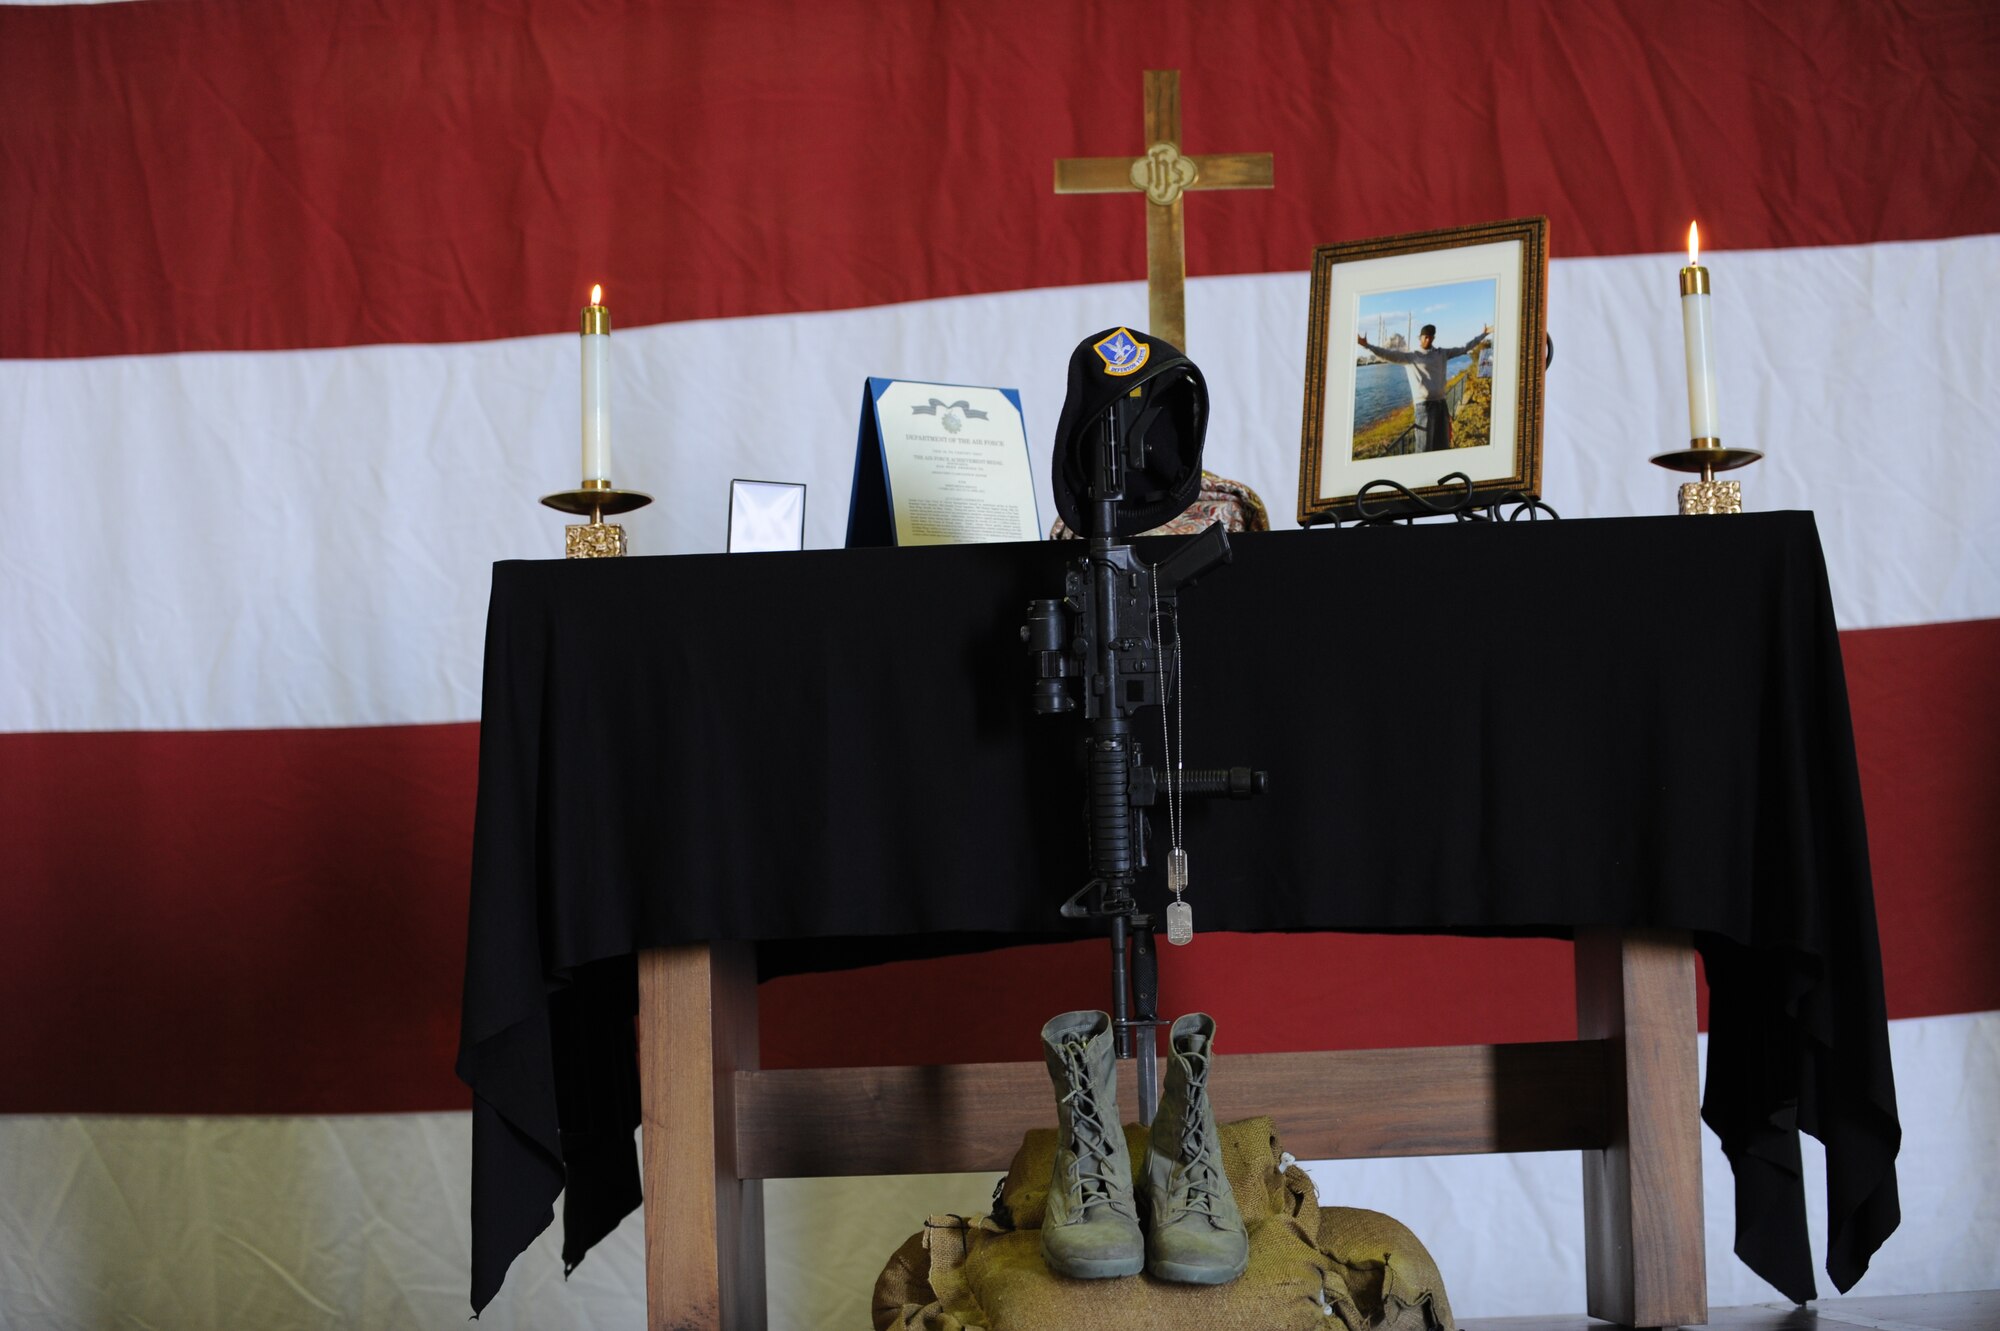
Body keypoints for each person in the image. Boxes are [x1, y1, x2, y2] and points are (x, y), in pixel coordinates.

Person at [1357, 322, 1491, 453]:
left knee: (1443, 446)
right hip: (1424, 408)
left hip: (1442, 405)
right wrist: (1367, 345)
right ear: (1420, 338)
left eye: (1431, 336)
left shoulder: (1442, 353)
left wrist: (1483, 334)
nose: (1428, 339)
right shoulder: (1410, 357)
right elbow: (1387, 354)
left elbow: (1464, 348)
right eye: (1425, 336)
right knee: (1424, 449)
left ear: (1434, 338)